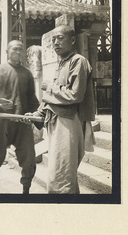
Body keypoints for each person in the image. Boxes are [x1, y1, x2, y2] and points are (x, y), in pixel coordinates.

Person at [26, 25, 95, 194]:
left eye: (60, 38)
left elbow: (75, 95)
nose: (55, 43)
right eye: (53, 40)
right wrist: (37, 114)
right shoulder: (61, 63)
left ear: (72, 40)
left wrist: (50, 87)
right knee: (61, 176)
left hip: (69, 123)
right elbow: (53, 99)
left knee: (61, 179)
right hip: (57, 123)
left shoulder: (78, 61)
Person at [0, 40, 40, 194]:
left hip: (22, 121)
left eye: (21, 50)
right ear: (7, 51)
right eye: (15, 49)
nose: (18, 52)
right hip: (4, 121)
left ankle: (26, 190)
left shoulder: (27, 73)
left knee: (28, 157)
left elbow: (32, 99)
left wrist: (35, 115)